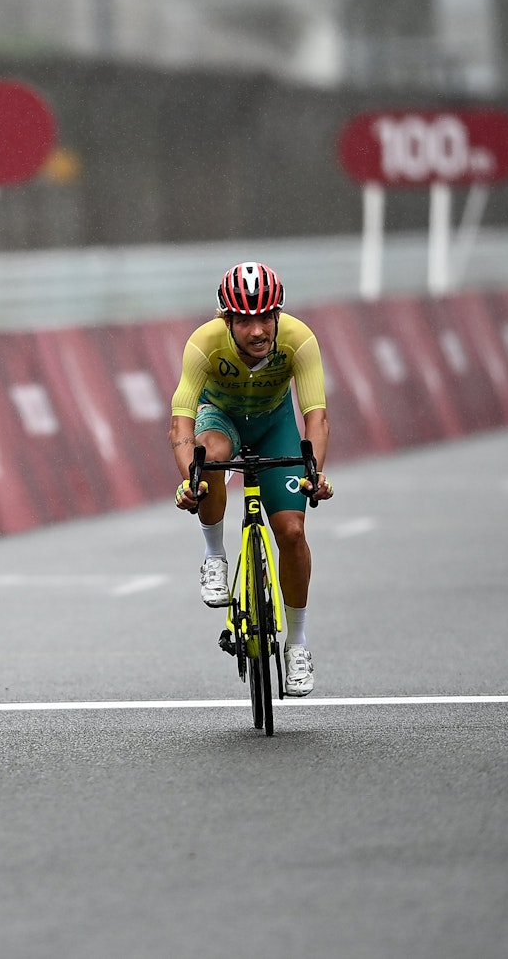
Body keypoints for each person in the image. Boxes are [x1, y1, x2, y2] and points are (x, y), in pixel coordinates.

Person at [170, 262, 333, 696]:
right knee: (211, 459)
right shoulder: (203, 344)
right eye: (245, 320)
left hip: (274, 423)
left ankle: (296, 643)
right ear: (227, 320)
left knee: (292, 532)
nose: (258, 330)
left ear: (279, 314)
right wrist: (191, 478)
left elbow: (315, 417)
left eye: (266, 317)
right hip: (219, 420)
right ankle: (214, 555)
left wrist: (313, 473)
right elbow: (181, 425)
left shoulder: (300, 340)